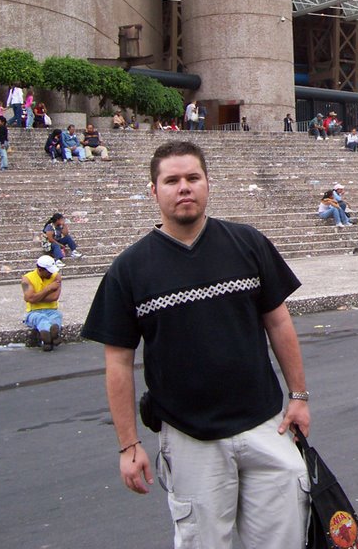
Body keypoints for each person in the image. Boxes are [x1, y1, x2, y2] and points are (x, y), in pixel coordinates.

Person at [81, 141, 310, 547]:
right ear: (154, 191)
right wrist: (128, 444)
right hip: (191, 440)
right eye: (171, 180)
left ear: (208, 184)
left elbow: (278, 322)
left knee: (288, 539)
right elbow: (118, 362)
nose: (183, 187)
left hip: (265, 427)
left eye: (192, 178)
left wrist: (298, 395)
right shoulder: (129, 269)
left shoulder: (248, 244)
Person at [22, 255, 63, 351]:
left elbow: (54, 297)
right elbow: (29, 299)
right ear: (40, 269)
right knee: (40, 318)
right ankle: (52, 337)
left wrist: (36, 296)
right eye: (48, 271)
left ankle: (47, 338)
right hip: (33, 311)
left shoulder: (56, 276)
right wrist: (48, 289)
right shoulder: (26, 279)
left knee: (56, 317)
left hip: (52, 310)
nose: (51, 273)